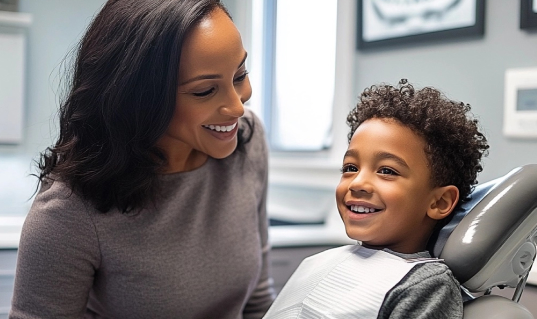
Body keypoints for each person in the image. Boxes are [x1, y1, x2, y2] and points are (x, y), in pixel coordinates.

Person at [10, 1, 275, 318]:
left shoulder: (248, 140)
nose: (236, 107)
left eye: (239, 74)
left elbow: (258, 302)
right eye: (205, 91)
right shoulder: (68, 210)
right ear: (138, 96)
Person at [263, 79, 489, 319]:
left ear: (439, 202)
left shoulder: (424, 285)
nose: (358, 183)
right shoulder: (320, 262)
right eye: (350, 167)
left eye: (387, 171)